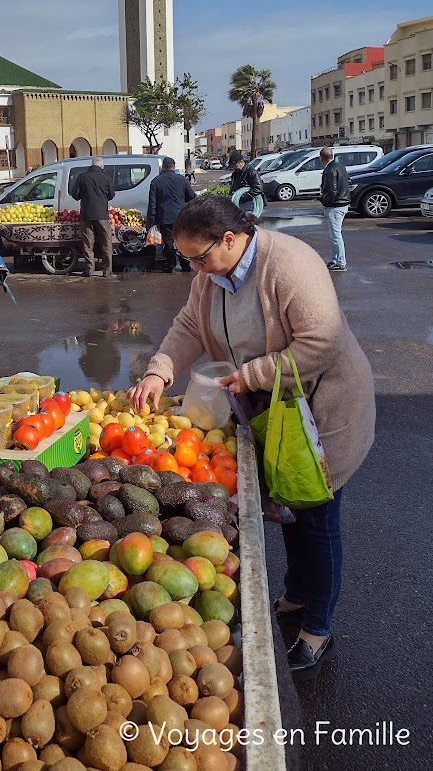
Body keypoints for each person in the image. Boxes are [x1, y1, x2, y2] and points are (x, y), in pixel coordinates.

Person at [127, 196, 374, 681]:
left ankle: (318, 628)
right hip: (274, 411)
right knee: (290, 509)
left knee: (317, 516)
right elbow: (189, 327)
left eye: (200, 257)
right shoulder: (211, 277)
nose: (195, 268)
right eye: (188, 260)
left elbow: (322, 340)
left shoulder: (290, 263)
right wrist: (160, 372)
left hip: (321, 410)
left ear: (231, 239)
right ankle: (298, 593)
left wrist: (254, 373)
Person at [146, 156, 196, 273]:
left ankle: (170, 265)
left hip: (164, 217)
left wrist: (151, 222)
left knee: (168, 242)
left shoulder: (156, 181)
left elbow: (152, 205)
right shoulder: (182, 180)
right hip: (181, 217)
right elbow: (191, 196)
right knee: (181, 240)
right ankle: (185, 265)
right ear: (174, 167)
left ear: (163, 167)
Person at [72, 157, 115, 277]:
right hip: (102, 215)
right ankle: (107, 271)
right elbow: (111, 195)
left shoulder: (82, 177)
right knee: (106, 243)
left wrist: (84, 196)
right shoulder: (106, 178)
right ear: (101, 166)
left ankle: (89, 270)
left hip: (86, 215)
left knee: (88, 243)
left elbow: (75, 194)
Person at [319, 146, 350, 272]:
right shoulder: (341, 166)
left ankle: (340, 262)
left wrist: (325, 201)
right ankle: (336, 259)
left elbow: (332, 190)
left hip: (335, 205)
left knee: (336, 235)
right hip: (343, 203)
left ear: (321, 158)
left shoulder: (329, 170)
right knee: (335, 234)